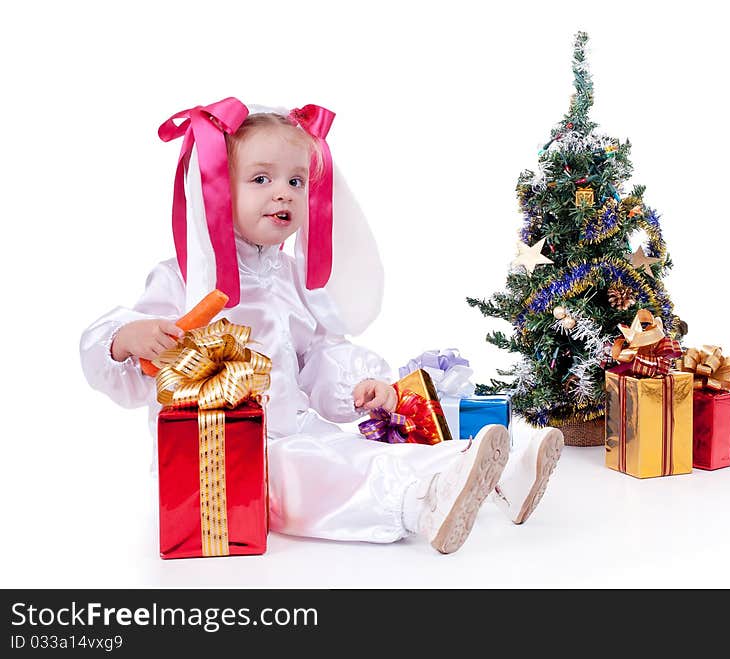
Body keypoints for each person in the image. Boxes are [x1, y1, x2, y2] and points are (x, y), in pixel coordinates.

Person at [80, 97, 564, 555]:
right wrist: (125, 340)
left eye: (295, 182)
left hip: (297, 426)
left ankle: (502, 476)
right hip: (228, 457)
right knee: (315, 472)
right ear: (217, 190)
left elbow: (318, 354)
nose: (282, 193)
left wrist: (356, 384)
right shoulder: (182, 276)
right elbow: (114, 348)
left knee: (356, 450)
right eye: (261, 178)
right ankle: (420, 504)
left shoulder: (289, 276)